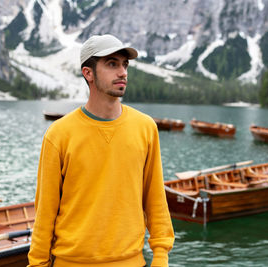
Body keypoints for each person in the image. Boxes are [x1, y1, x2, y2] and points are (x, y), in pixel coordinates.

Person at [27, 34, 175, 267]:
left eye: (125, 64)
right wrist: (38, 263)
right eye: (112, 64)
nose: (123, 72)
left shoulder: (145, 128)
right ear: (88, 73)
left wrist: (160, 256)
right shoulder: (59, 134)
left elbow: (155, 198)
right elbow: (45, 211)